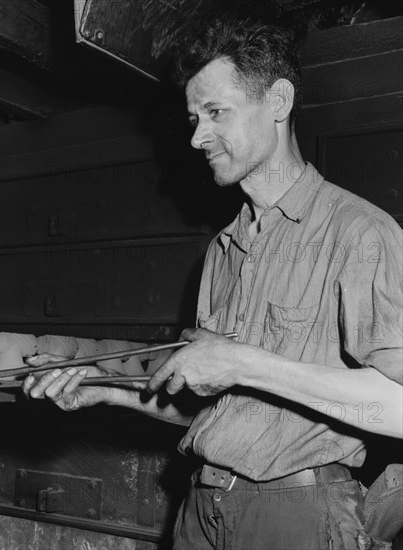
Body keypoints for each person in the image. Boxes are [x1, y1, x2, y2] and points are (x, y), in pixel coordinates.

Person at [23, 15, 403, 550]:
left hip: (297, 516)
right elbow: (212, 406)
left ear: (278, 102)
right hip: (202, 509)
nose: (198, 136)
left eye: (216, 112)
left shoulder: (360, 232)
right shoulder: (224, 249)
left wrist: (241, 361)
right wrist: (102, 389)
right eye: (194, 117)